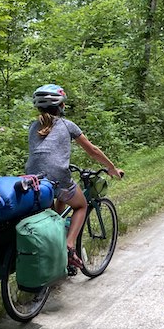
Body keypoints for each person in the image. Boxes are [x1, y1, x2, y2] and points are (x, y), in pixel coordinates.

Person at [25, 84, 123, 271]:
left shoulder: (33, 126)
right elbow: (92, 150)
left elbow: (43, 153)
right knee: (81, 205)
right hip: (57, 176)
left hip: (33, 178)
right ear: (61, 106)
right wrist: (111, 168)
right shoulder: (66, 125)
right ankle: (69, 246)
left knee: (55, 214)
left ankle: (55, 260)